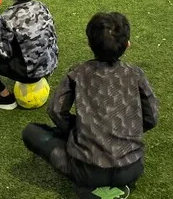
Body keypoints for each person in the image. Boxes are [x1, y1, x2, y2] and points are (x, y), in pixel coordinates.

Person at [22, 12, 158, 199]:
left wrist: (79, 129)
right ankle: (116, 187)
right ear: (127, 44)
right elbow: (152, 118)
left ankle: (90, 189)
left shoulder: (77, 73)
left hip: (87, 170)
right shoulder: (136, 74)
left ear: (89, 44)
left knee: (31, 132)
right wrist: (126, 129)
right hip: (131, 167)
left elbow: (55, 110)